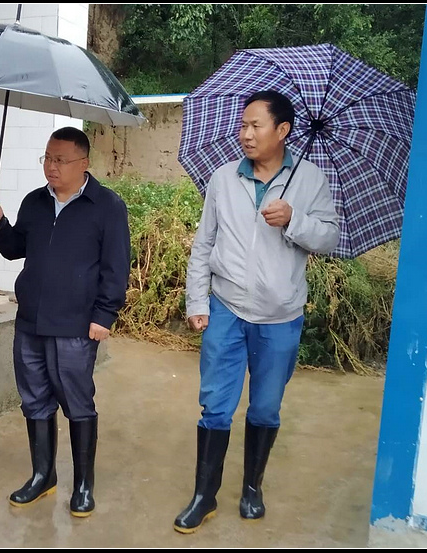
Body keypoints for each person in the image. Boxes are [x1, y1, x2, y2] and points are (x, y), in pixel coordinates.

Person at [174, 90, 340, 533]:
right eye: (243, 125)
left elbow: (329, 238)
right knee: (215, 406)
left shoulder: (310, 180)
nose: (245, 134)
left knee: (265, 408)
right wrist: (197, 301)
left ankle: (252, 488)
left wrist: (294, 219)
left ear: (282, 130)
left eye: (255, 126)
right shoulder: (224, 178)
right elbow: (204, 244)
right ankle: (204, 496)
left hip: (280, 317)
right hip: (226, 310)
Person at [0, 126, 131, 518]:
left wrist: (104, 315)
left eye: (60, 160)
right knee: (34, 399)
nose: (51, 166)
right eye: (47, 158)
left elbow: (116, 268)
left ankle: (83, 485)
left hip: (76, 326)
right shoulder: (34, 202)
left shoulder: (107, 206)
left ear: (84, 163)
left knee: (77, 402)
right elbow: (16, 249)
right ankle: (42, 476)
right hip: (30, 321)